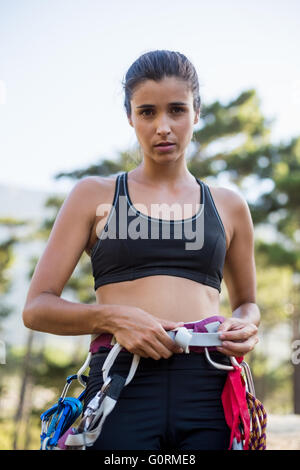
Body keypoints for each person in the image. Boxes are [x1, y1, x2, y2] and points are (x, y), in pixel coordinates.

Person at [22, 50, 260, 450]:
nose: (163, 127)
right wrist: (115, 318)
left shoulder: (229, 205)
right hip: (122, 383)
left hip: (209, 385)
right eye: (147, 112)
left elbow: (247, 303)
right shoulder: (93, 195)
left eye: (177, 110)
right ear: (130, 117)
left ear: (196, 112)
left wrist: (246, 325)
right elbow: (37, 307)